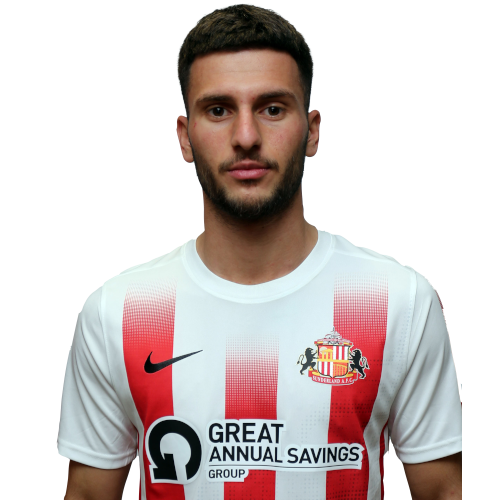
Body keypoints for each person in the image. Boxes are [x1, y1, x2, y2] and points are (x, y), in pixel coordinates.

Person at [58, 4, 462, 499]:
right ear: (185, 138)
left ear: (312, 130)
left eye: (272, 109)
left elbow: (442, 492)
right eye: (218, 110)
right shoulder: (118, 312)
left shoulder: (398, 300)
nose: (246, 137)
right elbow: (88, 493)